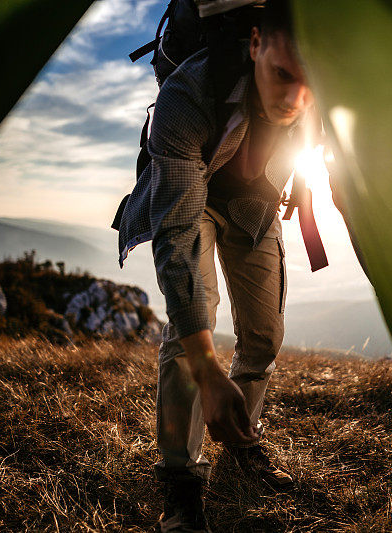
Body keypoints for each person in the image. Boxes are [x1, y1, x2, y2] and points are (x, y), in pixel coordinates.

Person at [117, 1, 314, 530]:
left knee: (265, 335)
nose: (295, 99)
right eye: (282, 75)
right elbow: (177, 240)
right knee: (190, 331)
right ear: (254, 44)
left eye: (311, 82)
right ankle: (181, 480)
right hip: (195, 194)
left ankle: (241, 439)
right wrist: (208, 370)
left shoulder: (328, 90)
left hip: (255, 201)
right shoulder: (187, 97)